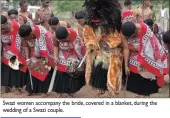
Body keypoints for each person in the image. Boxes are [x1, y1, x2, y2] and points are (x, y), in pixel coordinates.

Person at [82, 0, 129, 97]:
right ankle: (100, 90)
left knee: (112, 75)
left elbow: (118, 41)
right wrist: (91, 44)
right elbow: (88, 38)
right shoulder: (91, 28)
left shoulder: (115, 29)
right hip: (99, 55)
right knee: (98, 74)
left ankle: (111, 92)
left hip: (112, 56)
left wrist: (106, 39)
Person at [121, 21, 168, 97]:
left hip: (148, 56)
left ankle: (146, 94)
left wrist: (144, 58)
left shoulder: (144, 29)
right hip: (134, 58)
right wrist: (126, 65)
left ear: (135, 31)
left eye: (132, 35)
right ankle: (139, 93)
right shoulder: (124, 32)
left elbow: (152, 45)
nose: (130, 38)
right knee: (136, 79)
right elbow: (126, 49)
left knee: (146, 74)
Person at [18, 24, 54, 97]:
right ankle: (30, 90)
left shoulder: (42, 33)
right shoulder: (23, 35)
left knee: (43, 67)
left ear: (31, 32)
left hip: (46, 48)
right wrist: (28, 59)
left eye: (28, 37)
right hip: (34, 50)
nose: (27, 39)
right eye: (25, 38)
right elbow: (25, 46)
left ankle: (44, 91)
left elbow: (43, 50)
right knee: (32, 66)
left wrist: (40, 59)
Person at [52, 26, 86, 98]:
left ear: (68, 34)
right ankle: (59, 91)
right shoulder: (55, 36)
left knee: (71, 73)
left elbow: (79, 49)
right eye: (61, 41)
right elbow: (55, 46)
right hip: (61, 54)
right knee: (61, 73)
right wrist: (55, 56)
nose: (66, 40)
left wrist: (80, 61)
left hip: (73, 54)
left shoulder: (74, 35)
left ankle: (70, 92)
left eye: (66, 39)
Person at [1, 15, 28, 95]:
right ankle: (6, 86)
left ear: (6, 23)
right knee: (5, 66)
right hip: (6, 48)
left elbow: (20, 40)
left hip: (18, 47)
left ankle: (17, 87)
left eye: (3, 28)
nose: (2, 30)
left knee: (17, 65)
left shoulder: (15, 25)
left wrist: (14, 53)